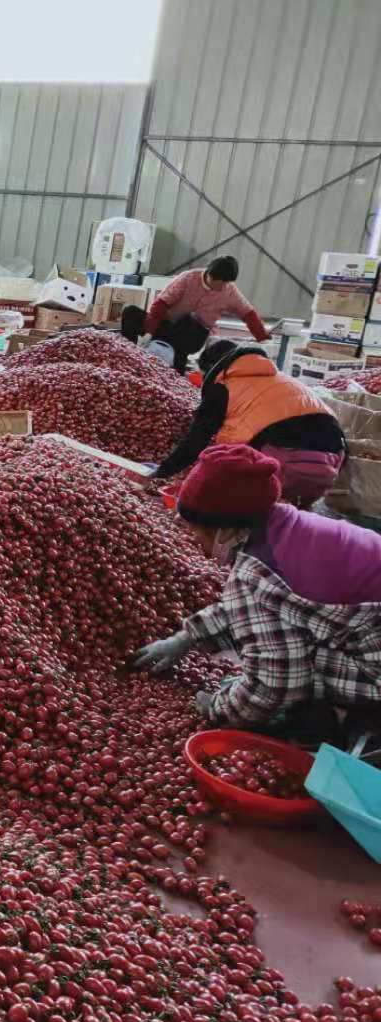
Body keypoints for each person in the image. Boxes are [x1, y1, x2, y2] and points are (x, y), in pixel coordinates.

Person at [133, 444, 381, 733]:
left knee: (293, 671)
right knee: (276, 640)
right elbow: (263, 608)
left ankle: (333, 722)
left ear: (224, 530)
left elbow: (274, 683)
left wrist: (218, 708)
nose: (193, 540)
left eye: (196, 530)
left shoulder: (258, 573)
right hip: (370, 629)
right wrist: (188, 637)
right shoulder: (288, 525)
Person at [151, 339, 345, 504]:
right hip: (331, 463)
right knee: (290, 517)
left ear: (213, 370)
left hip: (283, 462)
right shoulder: (282, 380)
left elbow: (197, 439)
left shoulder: (223, 386)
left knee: (238, 498)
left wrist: (163, 471)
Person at [142, 256, 271, 373]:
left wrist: (262, 337)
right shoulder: (188, 279)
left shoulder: (229, 291)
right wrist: (149, 331)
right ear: (210, 275)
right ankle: (135, 356)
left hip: (194, 336)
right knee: (131, 312)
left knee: (188, 321)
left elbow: (247, 313)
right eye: (222, 282)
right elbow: (161, 303)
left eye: (226, 283)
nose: (224, 287)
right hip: (169, 327)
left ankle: (176, 370)